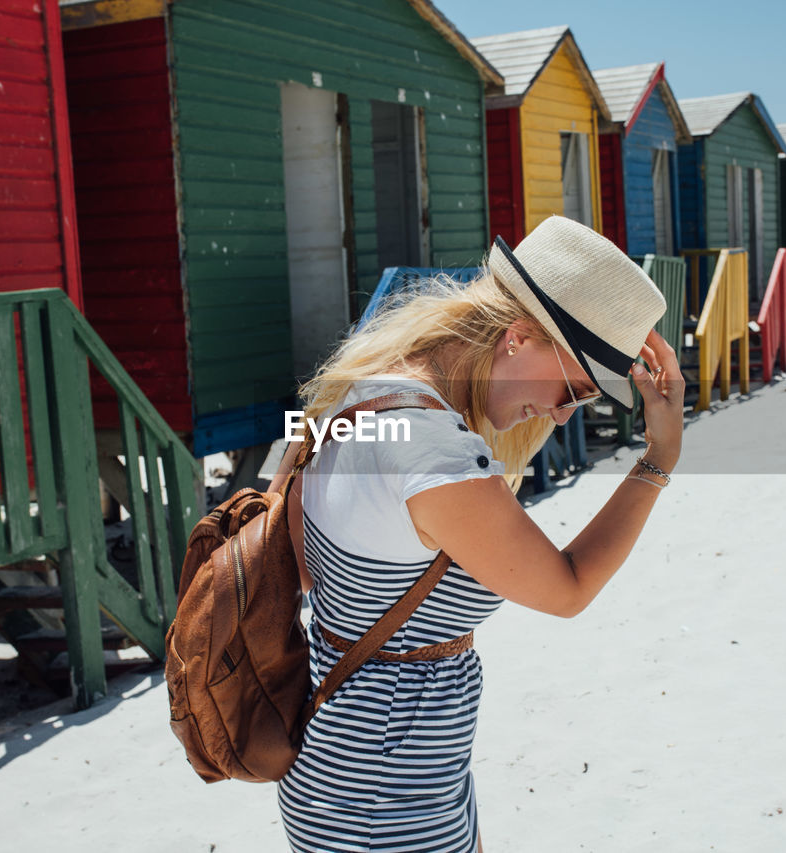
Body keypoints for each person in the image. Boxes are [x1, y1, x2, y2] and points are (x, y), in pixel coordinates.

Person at [272, 215, 683, 852]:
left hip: (356, 763)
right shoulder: (435, 452)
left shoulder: (362, 391)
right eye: (574, 387)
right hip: (388, 790)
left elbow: (298, 564)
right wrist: (658, 460)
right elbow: (568, 590)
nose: (562, 411)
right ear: (520, 337)